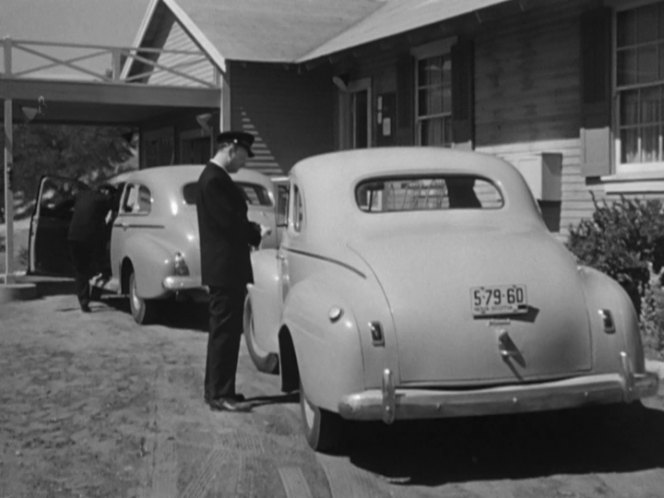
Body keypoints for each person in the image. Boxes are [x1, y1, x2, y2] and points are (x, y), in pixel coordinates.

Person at [196, 131, 262, 412]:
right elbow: (229, 223)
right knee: (224, 332)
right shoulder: (214, 180)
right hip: (225, 268)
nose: (243, 162)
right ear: (231, 149)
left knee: (225, 330)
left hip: (226, 268)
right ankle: (220, 394)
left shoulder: (215, 178)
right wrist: (255, 232)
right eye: (244, 155)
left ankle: (220, 389)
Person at [67, 184, 116, 312]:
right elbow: (118, 206)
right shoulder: (103, 199)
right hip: (89, 238)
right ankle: (96, 288)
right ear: (105, 191)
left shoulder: (81, 195)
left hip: (73, 236)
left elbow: (65, 204)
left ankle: (84, 300)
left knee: (80, 270)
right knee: (95, 264)